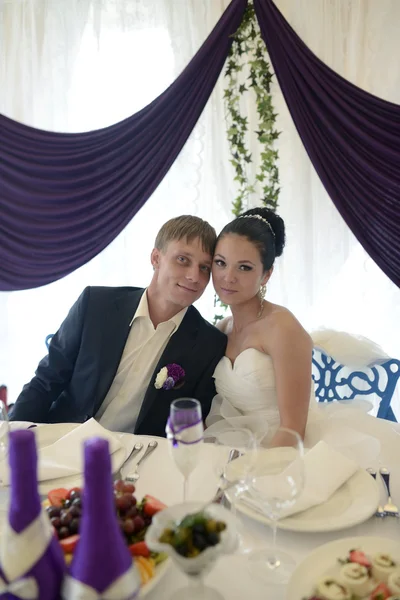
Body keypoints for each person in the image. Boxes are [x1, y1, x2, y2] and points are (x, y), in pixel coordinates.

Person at [9, 216, 227, 437]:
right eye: (183, 259)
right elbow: (46, 381)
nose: (194, 276)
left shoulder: (208, 344)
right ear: (156, 258)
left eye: (204, 268)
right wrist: (9, 442)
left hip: (138, 460)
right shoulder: (95, 304)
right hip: (64, 439)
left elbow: (189, 425)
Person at [206, 207, 314, 446]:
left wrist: (253, 474)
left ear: (266, 275)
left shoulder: (282, 328)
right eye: (221, 263)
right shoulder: (221, 329)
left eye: (244, 267)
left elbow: (293, 430)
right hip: (233, 446)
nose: (228, 277)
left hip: (282, 451)